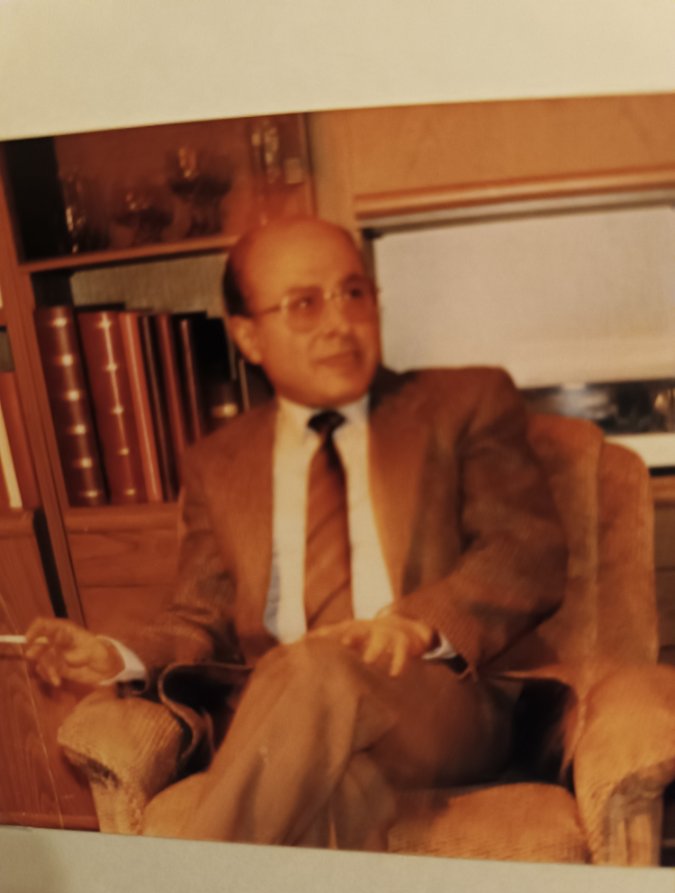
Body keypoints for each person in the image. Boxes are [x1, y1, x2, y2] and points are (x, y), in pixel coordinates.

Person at [26, 216, 567, 849]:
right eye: (305, 304)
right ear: (248, 336)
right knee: (344, 788)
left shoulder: (465, 402)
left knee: (318, 669)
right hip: (285, 721)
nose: (339, 322)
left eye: (353, 293)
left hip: (437, 702)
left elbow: (525, 550)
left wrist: (418, 624)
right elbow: (199, 615)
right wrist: (115, 655)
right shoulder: (219, 462)